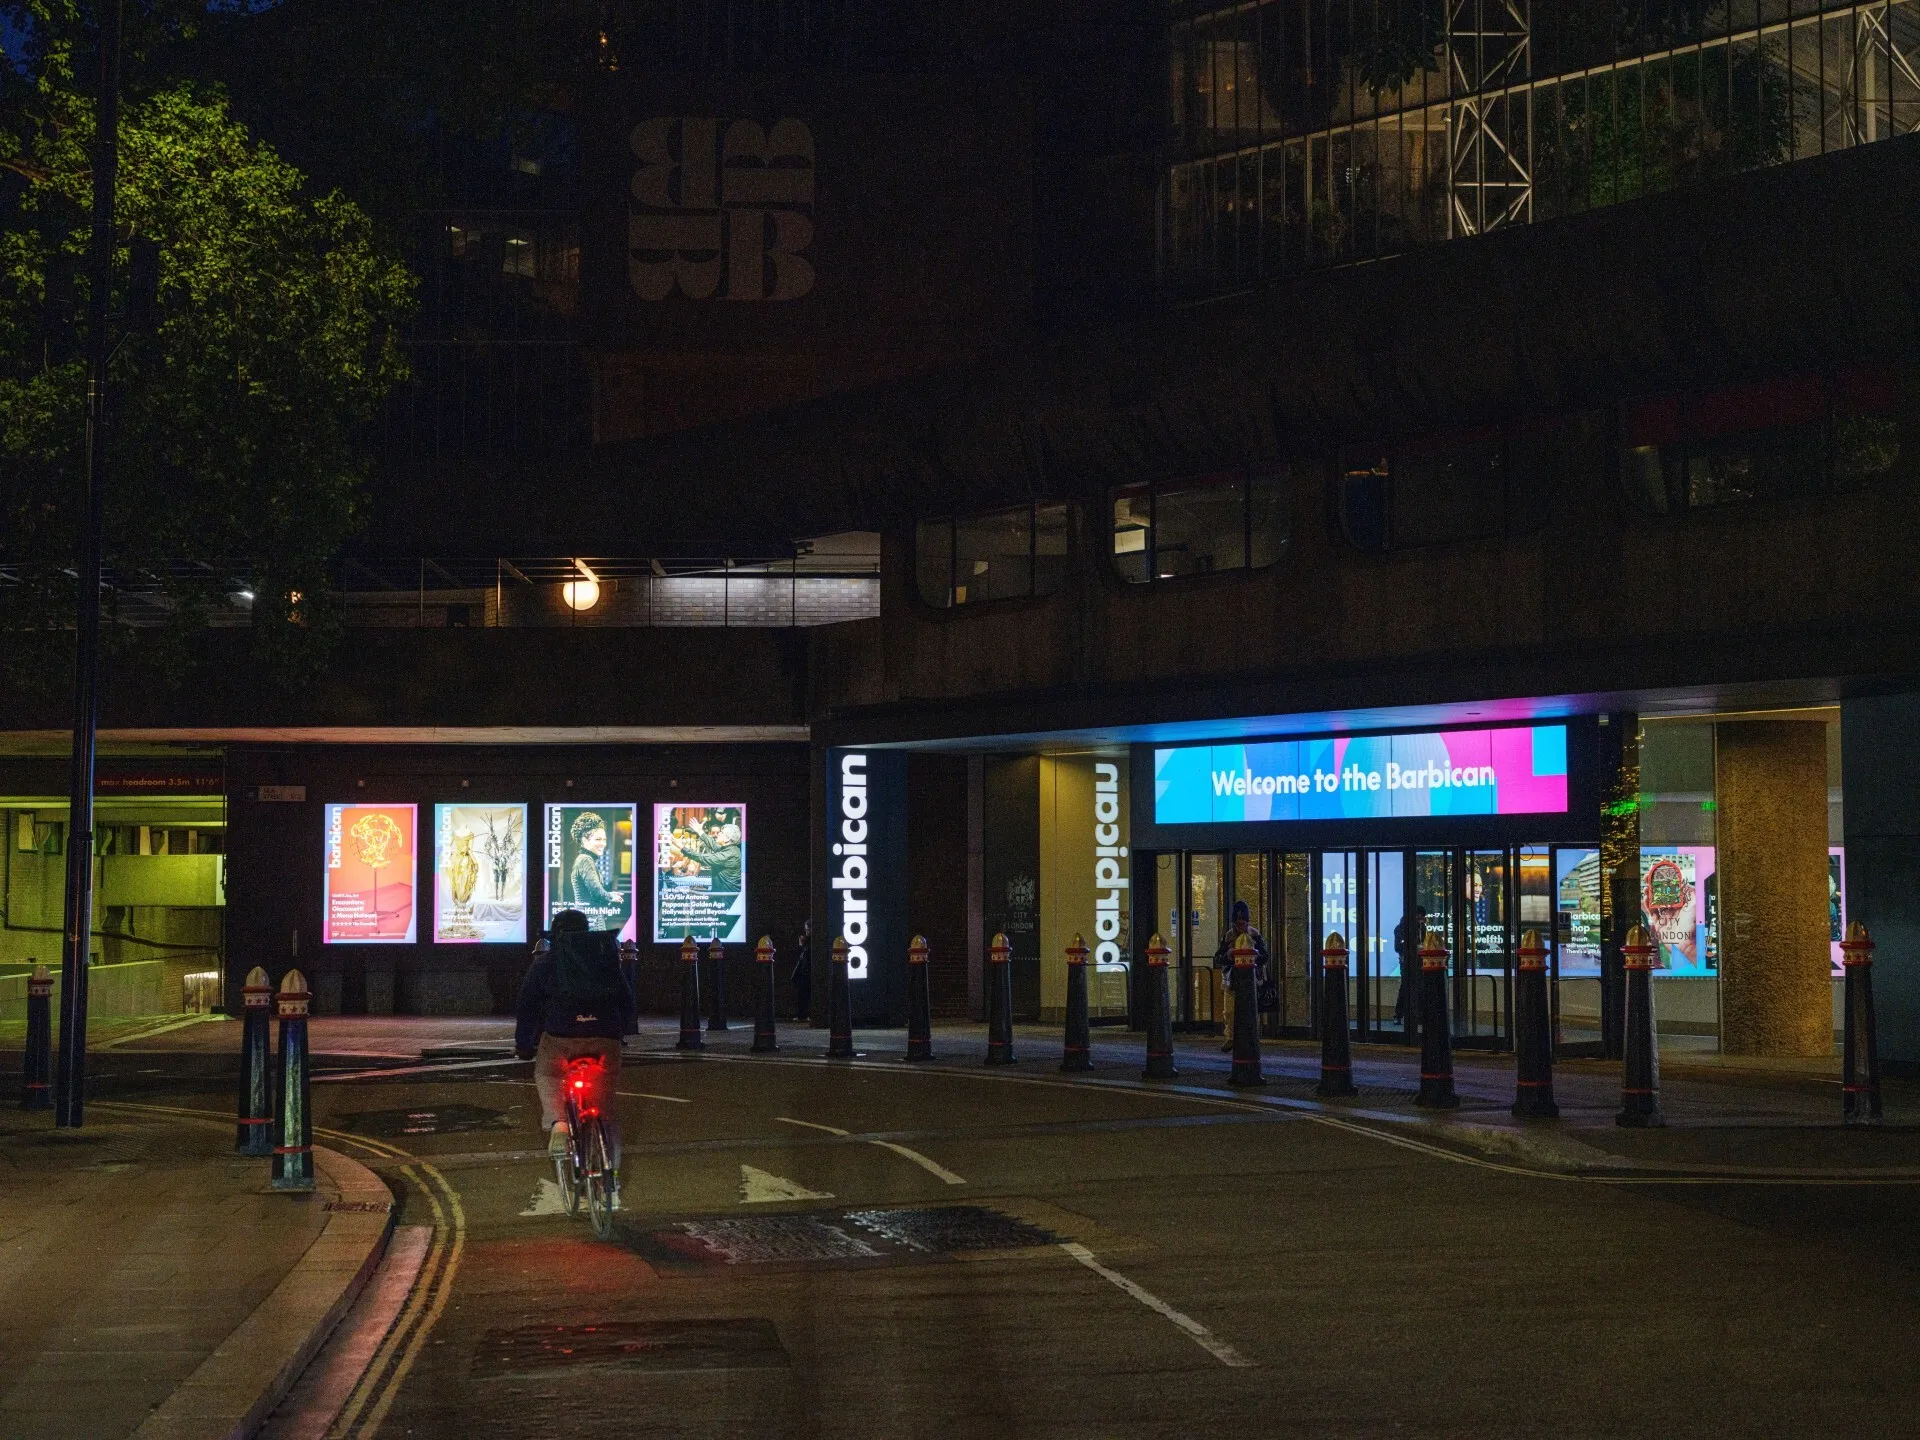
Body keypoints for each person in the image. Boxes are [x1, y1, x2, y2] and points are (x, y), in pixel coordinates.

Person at [515, 909, 636, 1206]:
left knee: (548, 1074)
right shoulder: (606, 959)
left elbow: (527, 1006)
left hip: (561, 1037)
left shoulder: (546, 963)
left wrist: (524, 1045)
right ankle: (611, 1182)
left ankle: (558, 1124)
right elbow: (626, 999)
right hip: (605, 1037)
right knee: (606, 1113)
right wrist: (622, 1031)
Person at [1212, 900, 1269, 1052]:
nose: (1241, 926)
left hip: (1251, 980)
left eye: (1243, 923)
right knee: (1229, 1011)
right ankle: (1231, 1037)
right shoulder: (1228, 936)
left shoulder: (1255, 935)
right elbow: (1217, 958)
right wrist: (1229, 955)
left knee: (1251, 1010)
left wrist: (1253, 957)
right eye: (1238, 923)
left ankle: (1251, 1037)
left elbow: (1265, 955)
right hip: (1231, 979)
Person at [791, 918, 813, 1021]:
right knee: (802, 993)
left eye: (807, 929)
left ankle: (805, 1014)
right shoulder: (807, 940)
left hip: (808, 970)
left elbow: (807, 953)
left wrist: (802, 945)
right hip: (805, 971)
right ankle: (802, 1014)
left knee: (805, 993)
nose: (806, 932)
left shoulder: (810, 941)